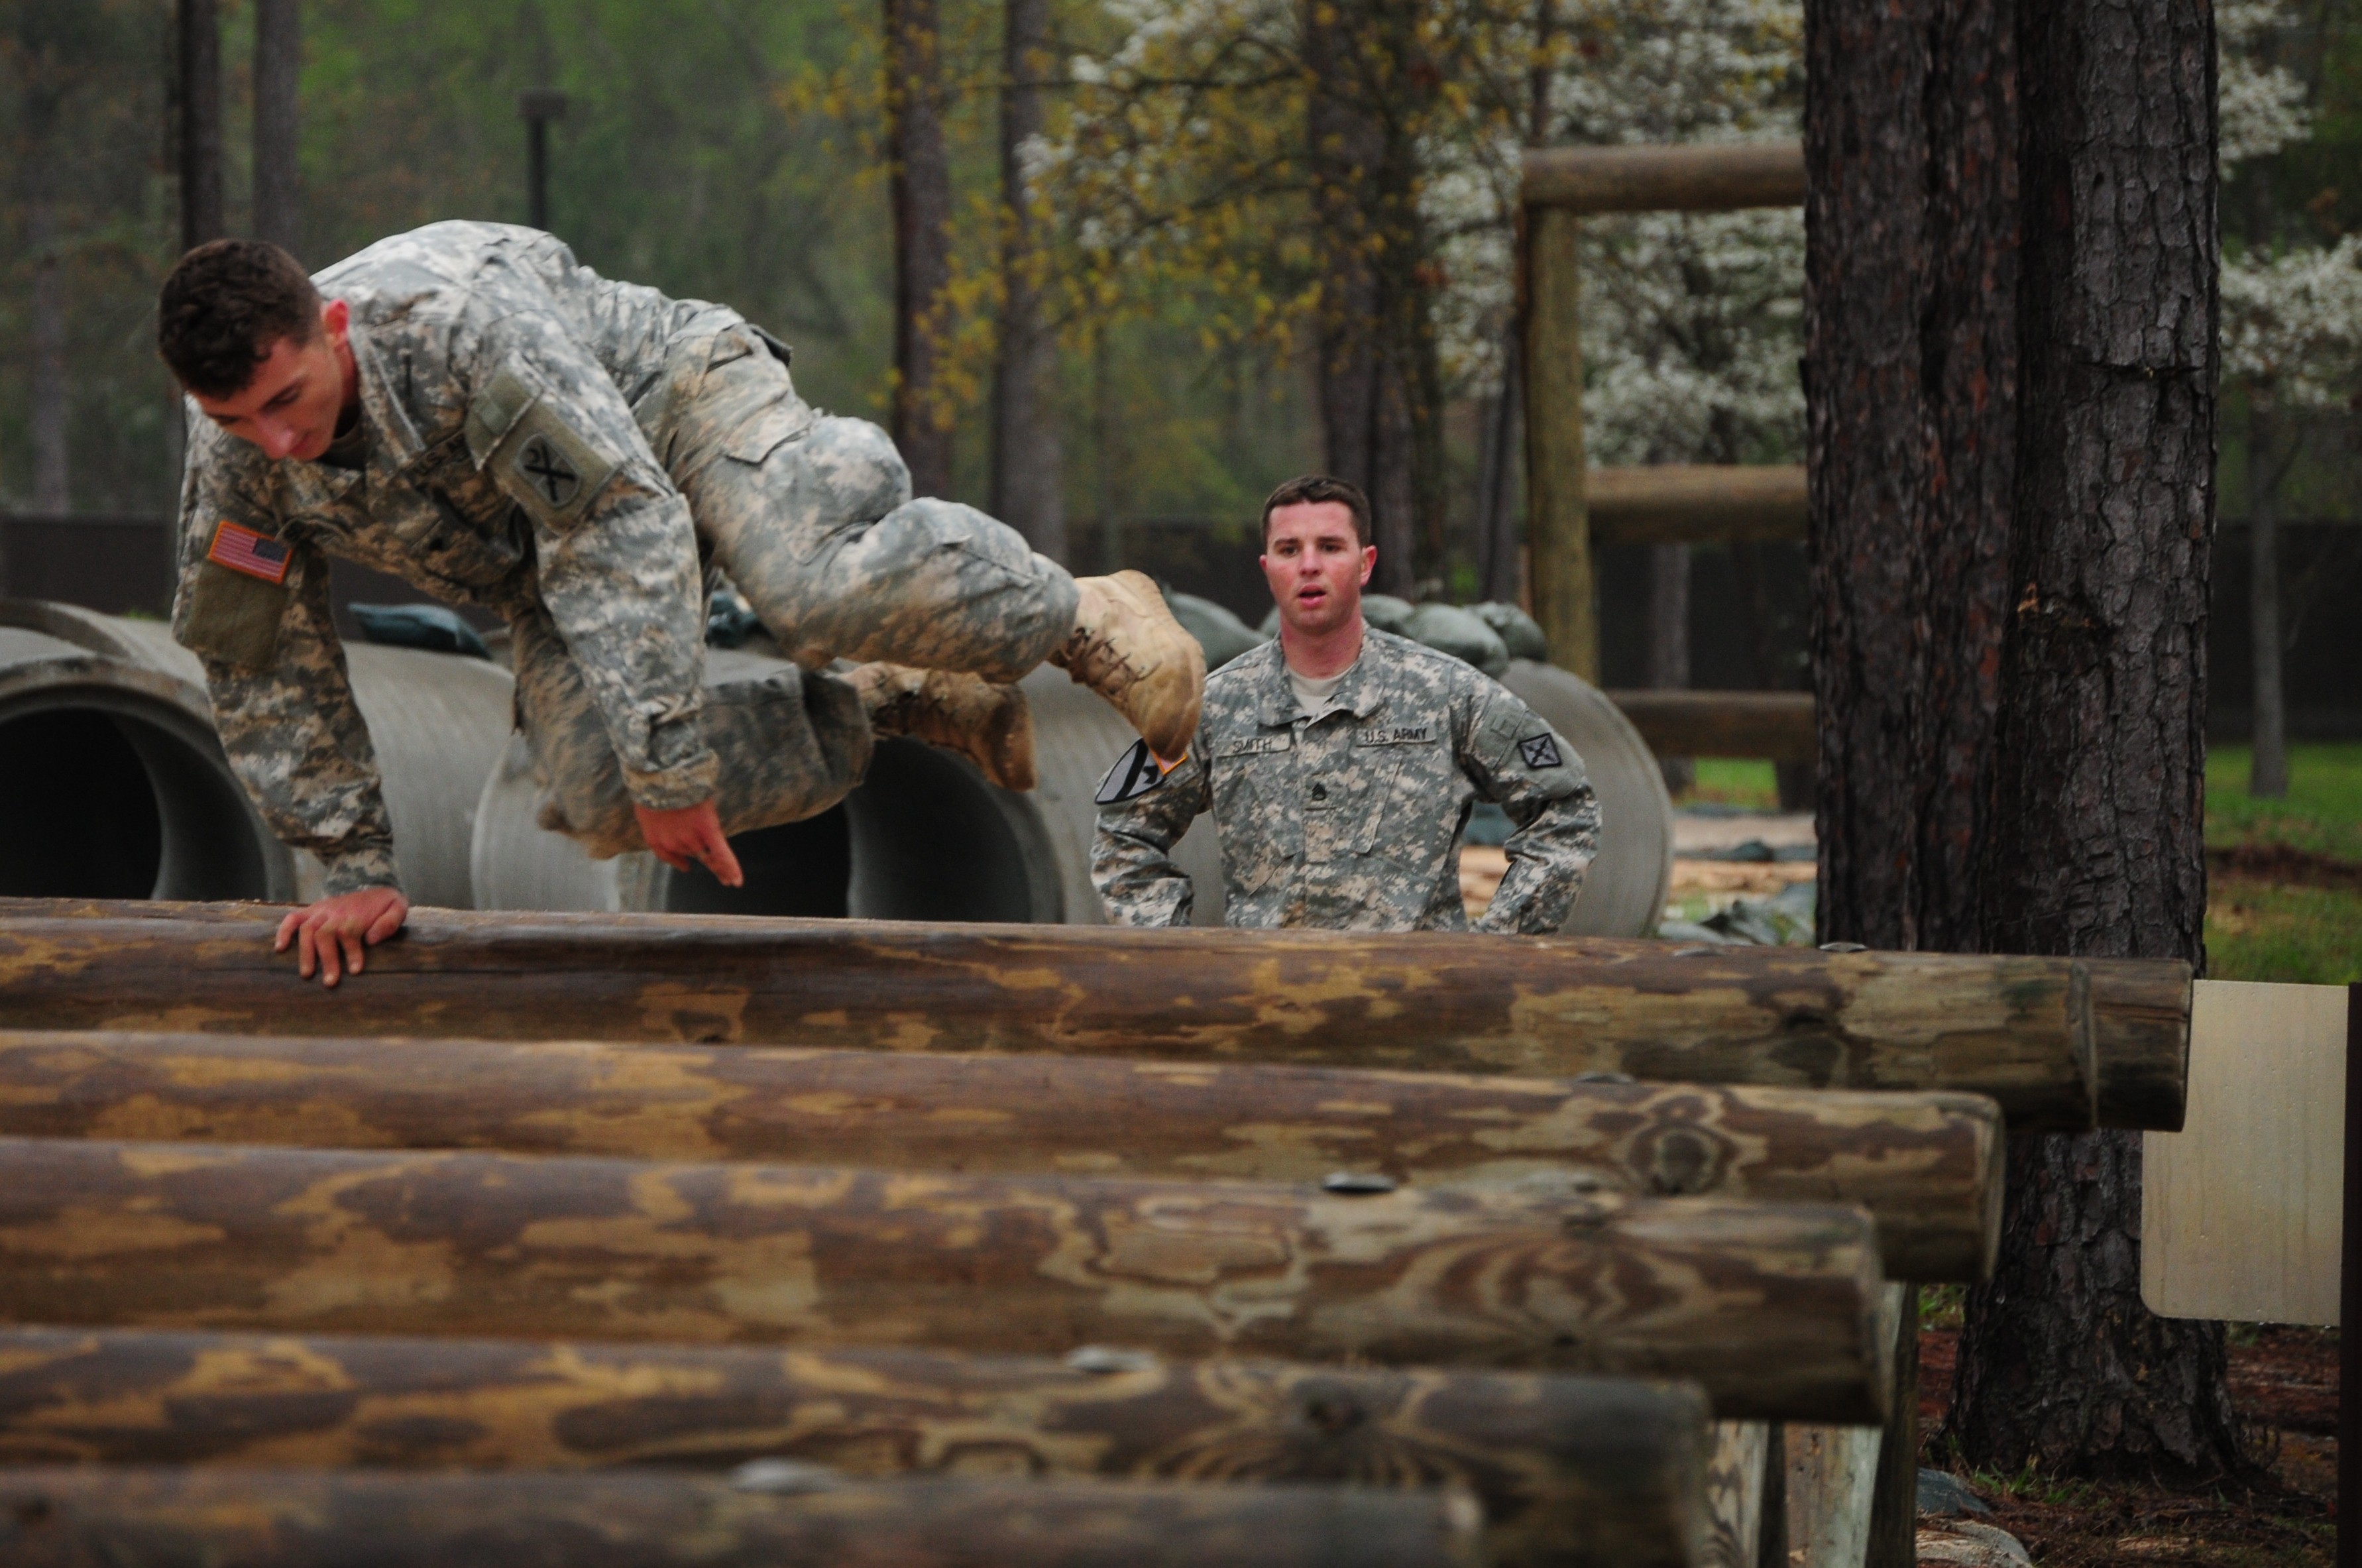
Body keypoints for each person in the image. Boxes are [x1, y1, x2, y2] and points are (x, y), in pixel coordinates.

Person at [159, 225, 1204, 984]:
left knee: (808, 587)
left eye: (288, 400)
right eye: (237, 418)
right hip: (545, 559)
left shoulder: (451, 324)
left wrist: (673, 759)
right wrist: (351, 864)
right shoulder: (236, 462)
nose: (278, 442)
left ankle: (1075, 611)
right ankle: (889, 698)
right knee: (601, 798)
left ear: (332, 328)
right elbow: (258, 656)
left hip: (677, 409)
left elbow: (616, 521)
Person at [1092, 475, 1599, 933]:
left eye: (1330, 546)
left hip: (1414, 1006)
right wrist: (1178, 957)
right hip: (1267, 1005)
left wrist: (1501, 944)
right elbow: (1123, 830)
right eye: (1289, 550)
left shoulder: (1446, 693)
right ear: (1269, 570)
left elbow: (1565, 803)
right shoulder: (1214, 709)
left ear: (1365, 564)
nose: (1309, 565)